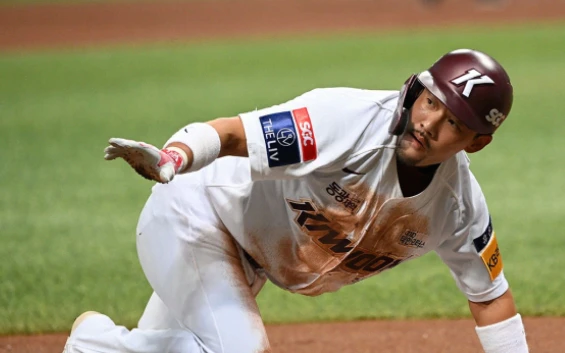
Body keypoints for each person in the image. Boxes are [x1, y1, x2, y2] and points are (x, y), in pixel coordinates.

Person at [63, 48, 529, 353]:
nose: (430, 123)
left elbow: (491, 299)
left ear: (477, 143)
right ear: (414, 92)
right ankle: (94, 340)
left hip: (248, 258)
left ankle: (92, 346)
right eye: (431, 103)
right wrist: (175, 155)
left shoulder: (457, 206)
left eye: (454, 123)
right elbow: (231, 135)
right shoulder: (346, 122)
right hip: (198, 215)